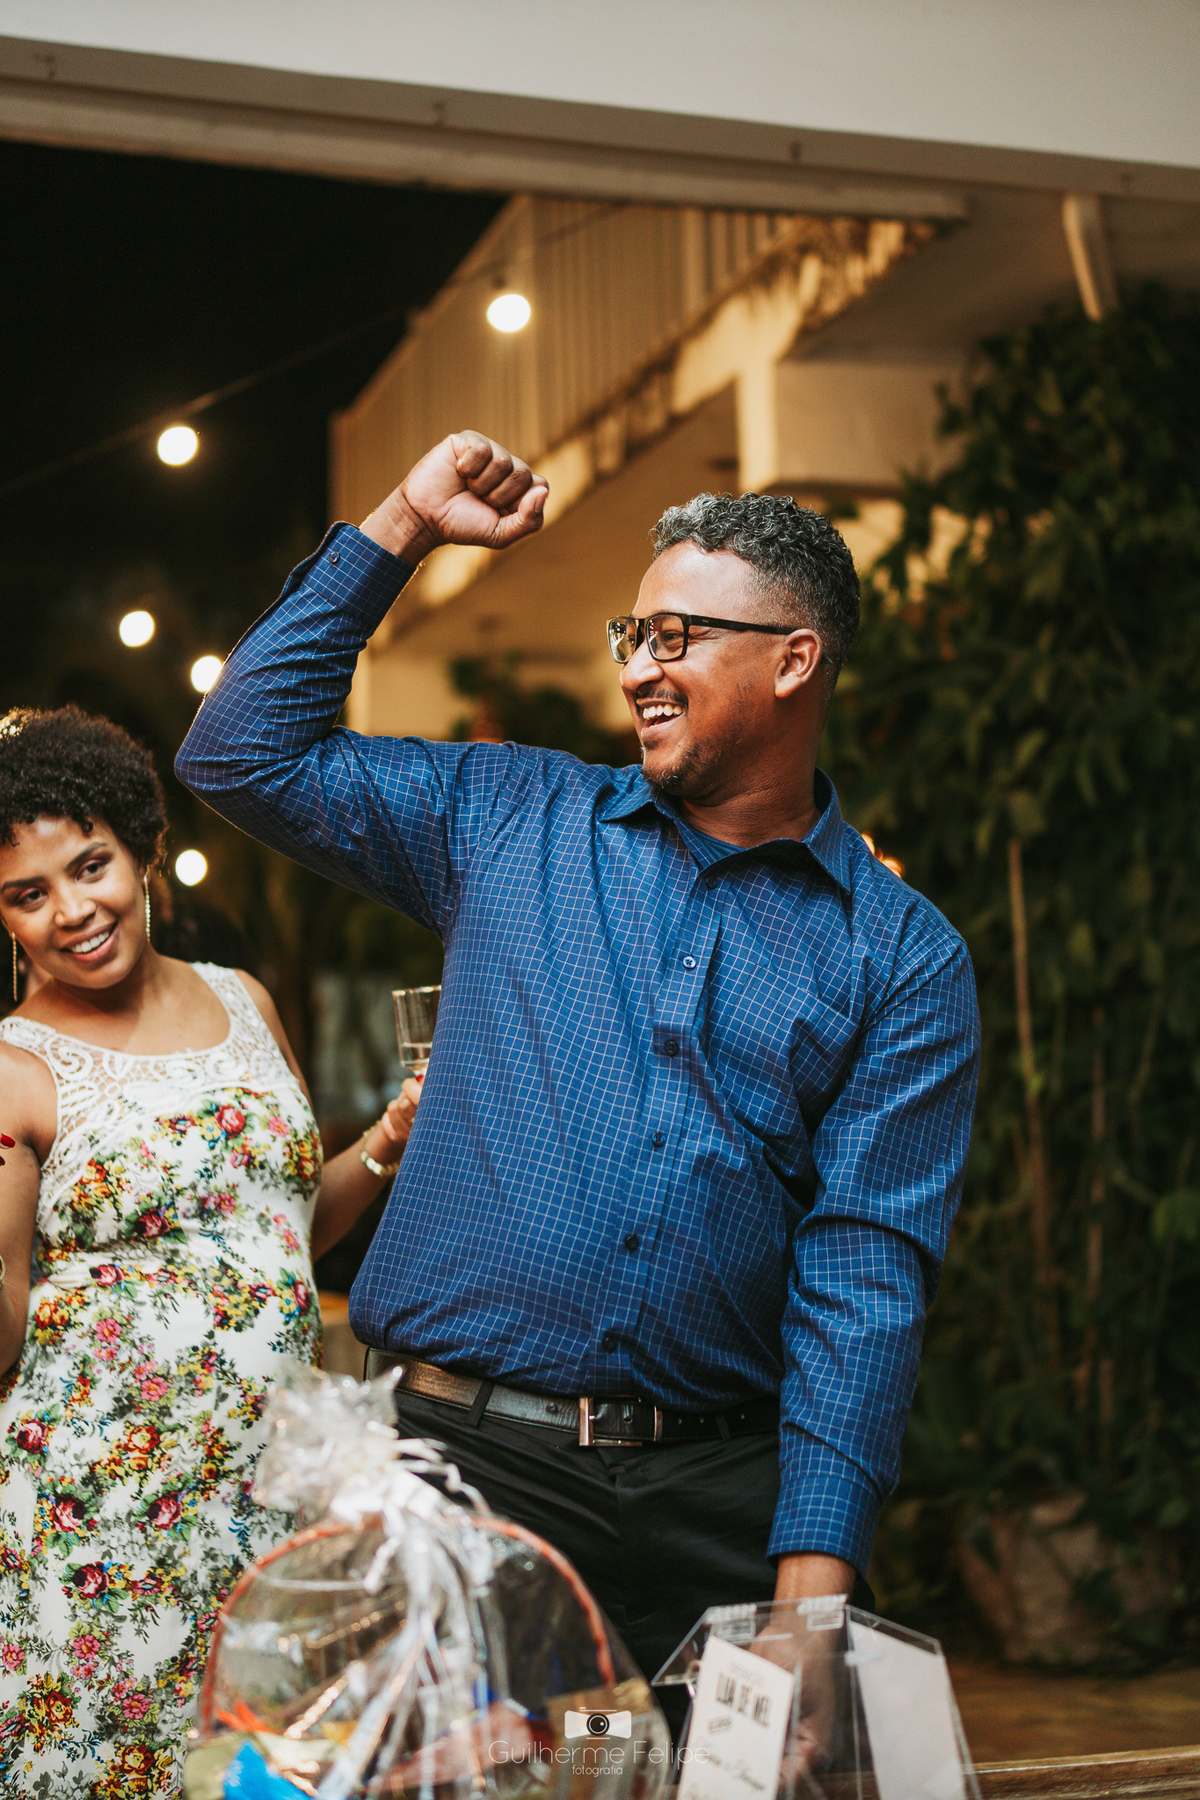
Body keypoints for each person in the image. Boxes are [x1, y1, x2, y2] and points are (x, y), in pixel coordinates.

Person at [177, 431, 980, 1727]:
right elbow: (240, 754)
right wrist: (403, 523)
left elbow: (866, 1280)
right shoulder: (507, 818)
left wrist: (808, 1603)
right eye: (633, 635)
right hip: (460, 1479)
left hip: (724, 1499)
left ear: (793, 660)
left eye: (677, 637)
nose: (638, 667)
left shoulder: (901, 956)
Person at [0, 706, 421, 1798]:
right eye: (27, 894)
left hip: (267, 1502)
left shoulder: (245, 999)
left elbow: (281, 1234)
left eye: (89, 865)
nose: (70, 911)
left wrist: (386, 1138)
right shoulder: (13, 1067)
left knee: (262, 1771)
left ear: (142, 848)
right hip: (99, 1523)